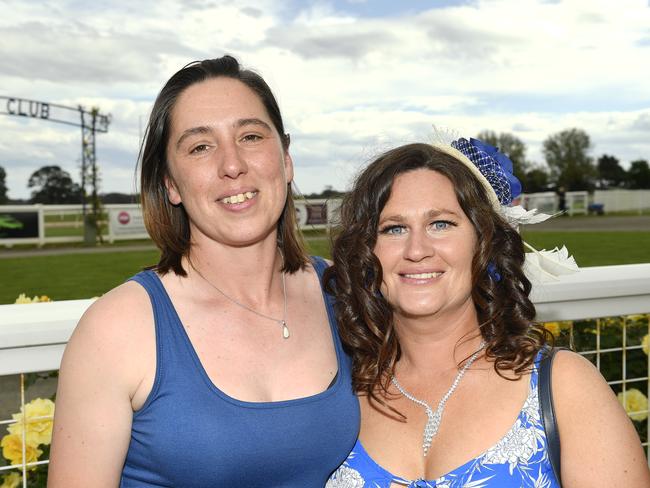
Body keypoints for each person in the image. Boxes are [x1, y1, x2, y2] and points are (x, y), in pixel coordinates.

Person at [48, 55, 359, 487]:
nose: (232, 164)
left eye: (250, 136)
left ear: (285, 160)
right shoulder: (117, 330)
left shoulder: (344, 295)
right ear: (170, 184)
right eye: (200, 146)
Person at [326, 139, 649, 487]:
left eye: (441, 224)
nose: (416, 249)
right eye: (394, 228)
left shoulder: (564, 387)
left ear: (484, 241)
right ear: (366, 252)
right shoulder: (337, 391)